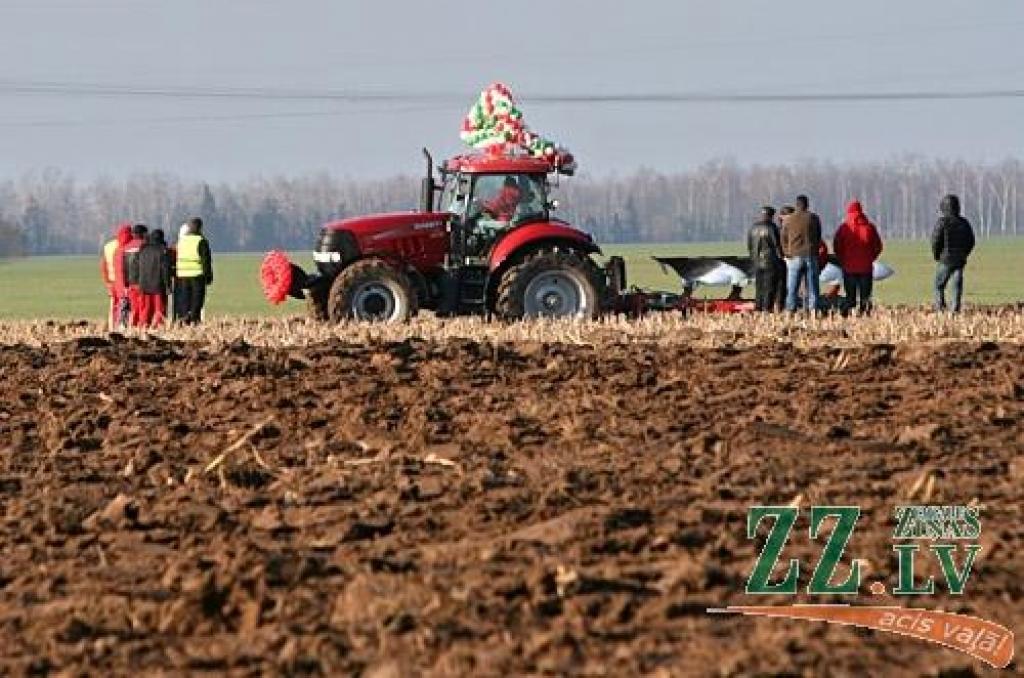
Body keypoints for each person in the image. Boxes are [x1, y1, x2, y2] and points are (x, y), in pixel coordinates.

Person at [834, 201, 883, 315]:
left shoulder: (844, 228)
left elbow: (837, 246)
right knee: (865, 297)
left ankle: (845, 315)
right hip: (866, 268)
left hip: (848, 268)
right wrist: (871, 258)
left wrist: (842, 259)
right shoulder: (870, 227)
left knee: (850, 297)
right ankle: (865, 316)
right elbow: (878, 246)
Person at [931, 194, 975, 313]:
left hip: (945, 260)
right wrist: (965, 254)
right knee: (956, 287)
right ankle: (955, 310)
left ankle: (940, 309)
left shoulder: (942, 222)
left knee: (938, 285)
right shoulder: (964, 223)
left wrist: (936, 255)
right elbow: (971, 241)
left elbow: (935, 240)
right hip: (960, 260)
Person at [781, 194, 823, 312]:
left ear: (797, 205)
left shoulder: (788, 220)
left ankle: (790, 309)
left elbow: (783, 238)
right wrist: (815, 249)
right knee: (812, 286)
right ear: (807, 205)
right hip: (810, 254)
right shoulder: (814, 218)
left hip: (794, 256)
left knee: (792, 287)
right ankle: (813, 309)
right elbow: (818, 236)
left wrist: (786, 252)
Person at [176, 217, 213, 324]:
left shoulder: (181, 241)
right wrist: (208, 276)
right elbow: (206, 260)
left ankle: (184, 317)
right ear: (200, 228)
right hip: (196, 274)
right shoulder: (201, 241)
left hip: (182, 274)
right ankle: (194, 318)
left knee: (185, 298)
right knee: (197, 299)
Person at [747, 206, 785, 312]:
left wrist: (753, 258)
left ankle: (758, 307)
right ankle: (767, 308)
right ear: (771, 216)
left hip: (756, 262)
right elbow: (777, 245)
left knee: (759, 287)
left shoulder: (753, 228)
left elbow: (749, 246)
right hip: (770, 262)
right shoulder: (772, 228)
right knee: (770, 287)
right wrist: (782, 257)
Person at [136, 229, 174, 327]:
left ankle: (143, 328)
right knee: (159, 310)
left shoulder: (142, 249)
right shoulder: (163, 251)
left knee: (146, 309)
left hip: (143, 285)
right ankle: (158, 329)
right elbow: (166, 270)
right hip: (158, 286)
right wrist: (168, 285)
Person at [100, 223, 132, 330]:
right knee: (124, 304)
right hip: (123, 281)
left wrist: (107, 282)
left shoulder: (108, 246)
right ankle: (122, 326)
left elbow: (103, 266)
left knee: (113, 306)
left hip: (112, 281)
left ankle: (111, 327)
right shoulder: (127, 245)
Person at [121, 223, 148, 327]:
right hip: (143, 282)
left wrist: (125, 284)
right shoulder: (145, 245)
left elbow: (124, 268)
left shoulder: (126, 248)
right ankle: (141, 326)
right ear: (143, 234)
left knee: (134, 307)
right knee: (143, 307)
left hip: (131, 283)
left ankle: (133, 326)